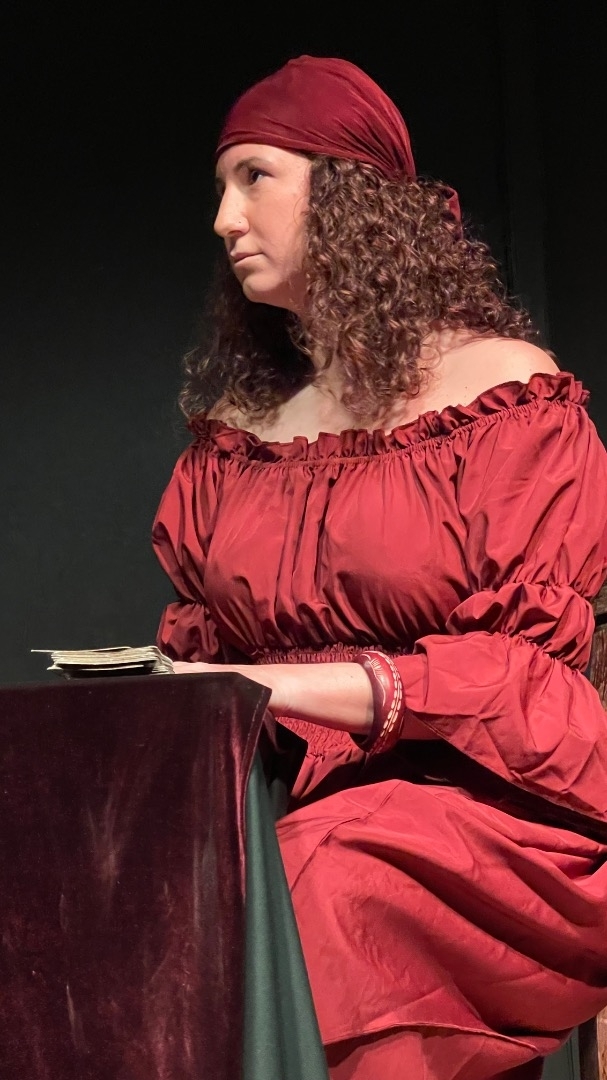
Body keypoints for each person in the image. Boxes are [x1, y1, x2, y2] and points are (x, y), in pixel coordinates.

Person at [152, 56, 607, 1080]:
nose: (225, 219)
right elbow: (199, 661)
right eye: (220, 186)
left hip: (487, 803)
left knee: (321, 882)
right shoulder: (237, 438)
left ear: (348, 195)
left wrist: (278, 685)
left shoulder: (502, 396)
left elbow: (519, 677)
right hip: (284, 793)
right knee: (135, 887)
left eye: (255, 178)